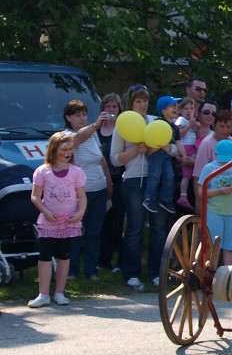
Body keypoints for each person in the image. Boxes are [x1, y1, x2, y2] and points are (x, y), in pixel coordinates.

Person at [28, 131, 87, 308]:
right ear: (54, 149)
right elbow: (35, 196)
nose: (67, 153)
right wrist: (45, 212)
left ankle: (60, 292)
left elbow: (82, 196)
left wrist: (80, 212)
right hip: (48, 222)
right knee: (45, 256)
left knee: (64, 256)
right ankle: (43, 294)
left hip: (69, 222)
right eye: (64, 149)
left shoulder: (76, 172)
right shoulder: (42, 171)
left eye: (70, 149)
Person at [111, 85, 160, 290]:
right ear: (131, 103)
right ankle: (131, 272)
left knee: (158, 228)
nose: (142, 105)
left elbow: (172, 147)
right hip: (133, 180)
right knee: (135, 227)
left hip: (156, 179)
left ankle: (156, 272)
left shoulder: (155, 122)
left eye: (145, 100)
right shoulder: (122, 124)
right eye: (138, 101)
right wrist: (136, 151)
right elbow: (115, 159)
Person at [63, 99, 113, 280]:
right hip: (78, 192)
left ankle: (91, 270)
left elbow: (101, 159)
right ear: (68, 118)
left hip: (99, 189)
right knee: (75, 231)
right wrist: (95, 125)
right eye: (78, 115)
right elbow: (77, 139)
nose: (82, 118)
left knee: (94, 232)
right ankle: (72, 270)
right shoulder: (65, 135)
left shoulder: (92, 134)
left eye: (84, 114)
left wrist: (109, 184)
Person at [199, 138, 232, 267]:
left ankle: (228, 275)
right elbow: (201, 192)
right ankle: (211, 274)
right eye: (223, 159)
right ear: (215, 154)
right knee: (214, 246)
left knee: (231, 246)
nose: (225, 162)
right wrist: (219, 191)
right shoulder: (209, 168)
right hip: (214, 211)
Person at [96, 93, 125, 274]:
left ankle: (119, 262)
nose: (111, 110)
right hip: (100, 180)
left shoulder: (122, 130)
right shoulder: (96, 130)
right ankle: (103, 260)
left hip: (119, 179)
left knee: (119, 221)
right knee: (103, 221)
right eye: (108, 106)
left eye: (115, 107)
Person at [192, 108, 232, 190]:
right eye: (221, 126)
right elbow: (198, 175)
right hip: (211, 192)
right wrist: (199, 197)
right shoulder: (206, 144)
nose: (225, 130)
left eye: (228, 127)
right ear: (214, 126)